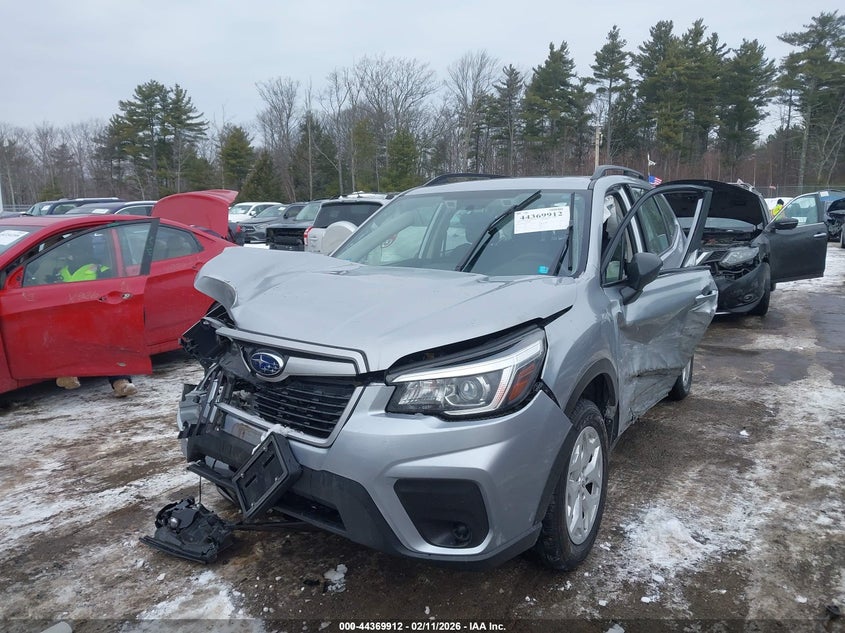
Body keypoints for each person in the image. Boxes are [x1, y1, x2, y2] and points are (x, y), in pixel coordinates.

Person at [53, 235, 138, 398]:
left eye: (77, 251)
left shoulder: (100, 270)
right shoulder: (61, 272)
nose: (72, 255)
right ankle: (68, 375)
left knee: (110, 346)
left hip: (95, 317)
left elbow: (112, 291)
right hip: (69, 318)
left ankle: (121, 382)